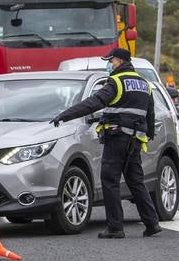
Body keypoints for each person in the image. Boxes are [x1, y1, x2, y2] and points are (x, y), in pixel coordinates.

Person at [52, 47, 163, 238]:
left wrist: (65, 115)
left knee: (110, 180)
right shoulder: (144, 83)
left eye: (110, 61)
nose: (109, 65)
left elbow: (93, 103)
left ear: (119, 61)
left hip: (117, 138)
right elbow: (150, 113)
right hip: (135, 139)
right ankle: (152, 223)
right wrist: (149, 133)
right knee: (136, 181)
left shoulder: (116, 81)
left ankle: (115, 227)